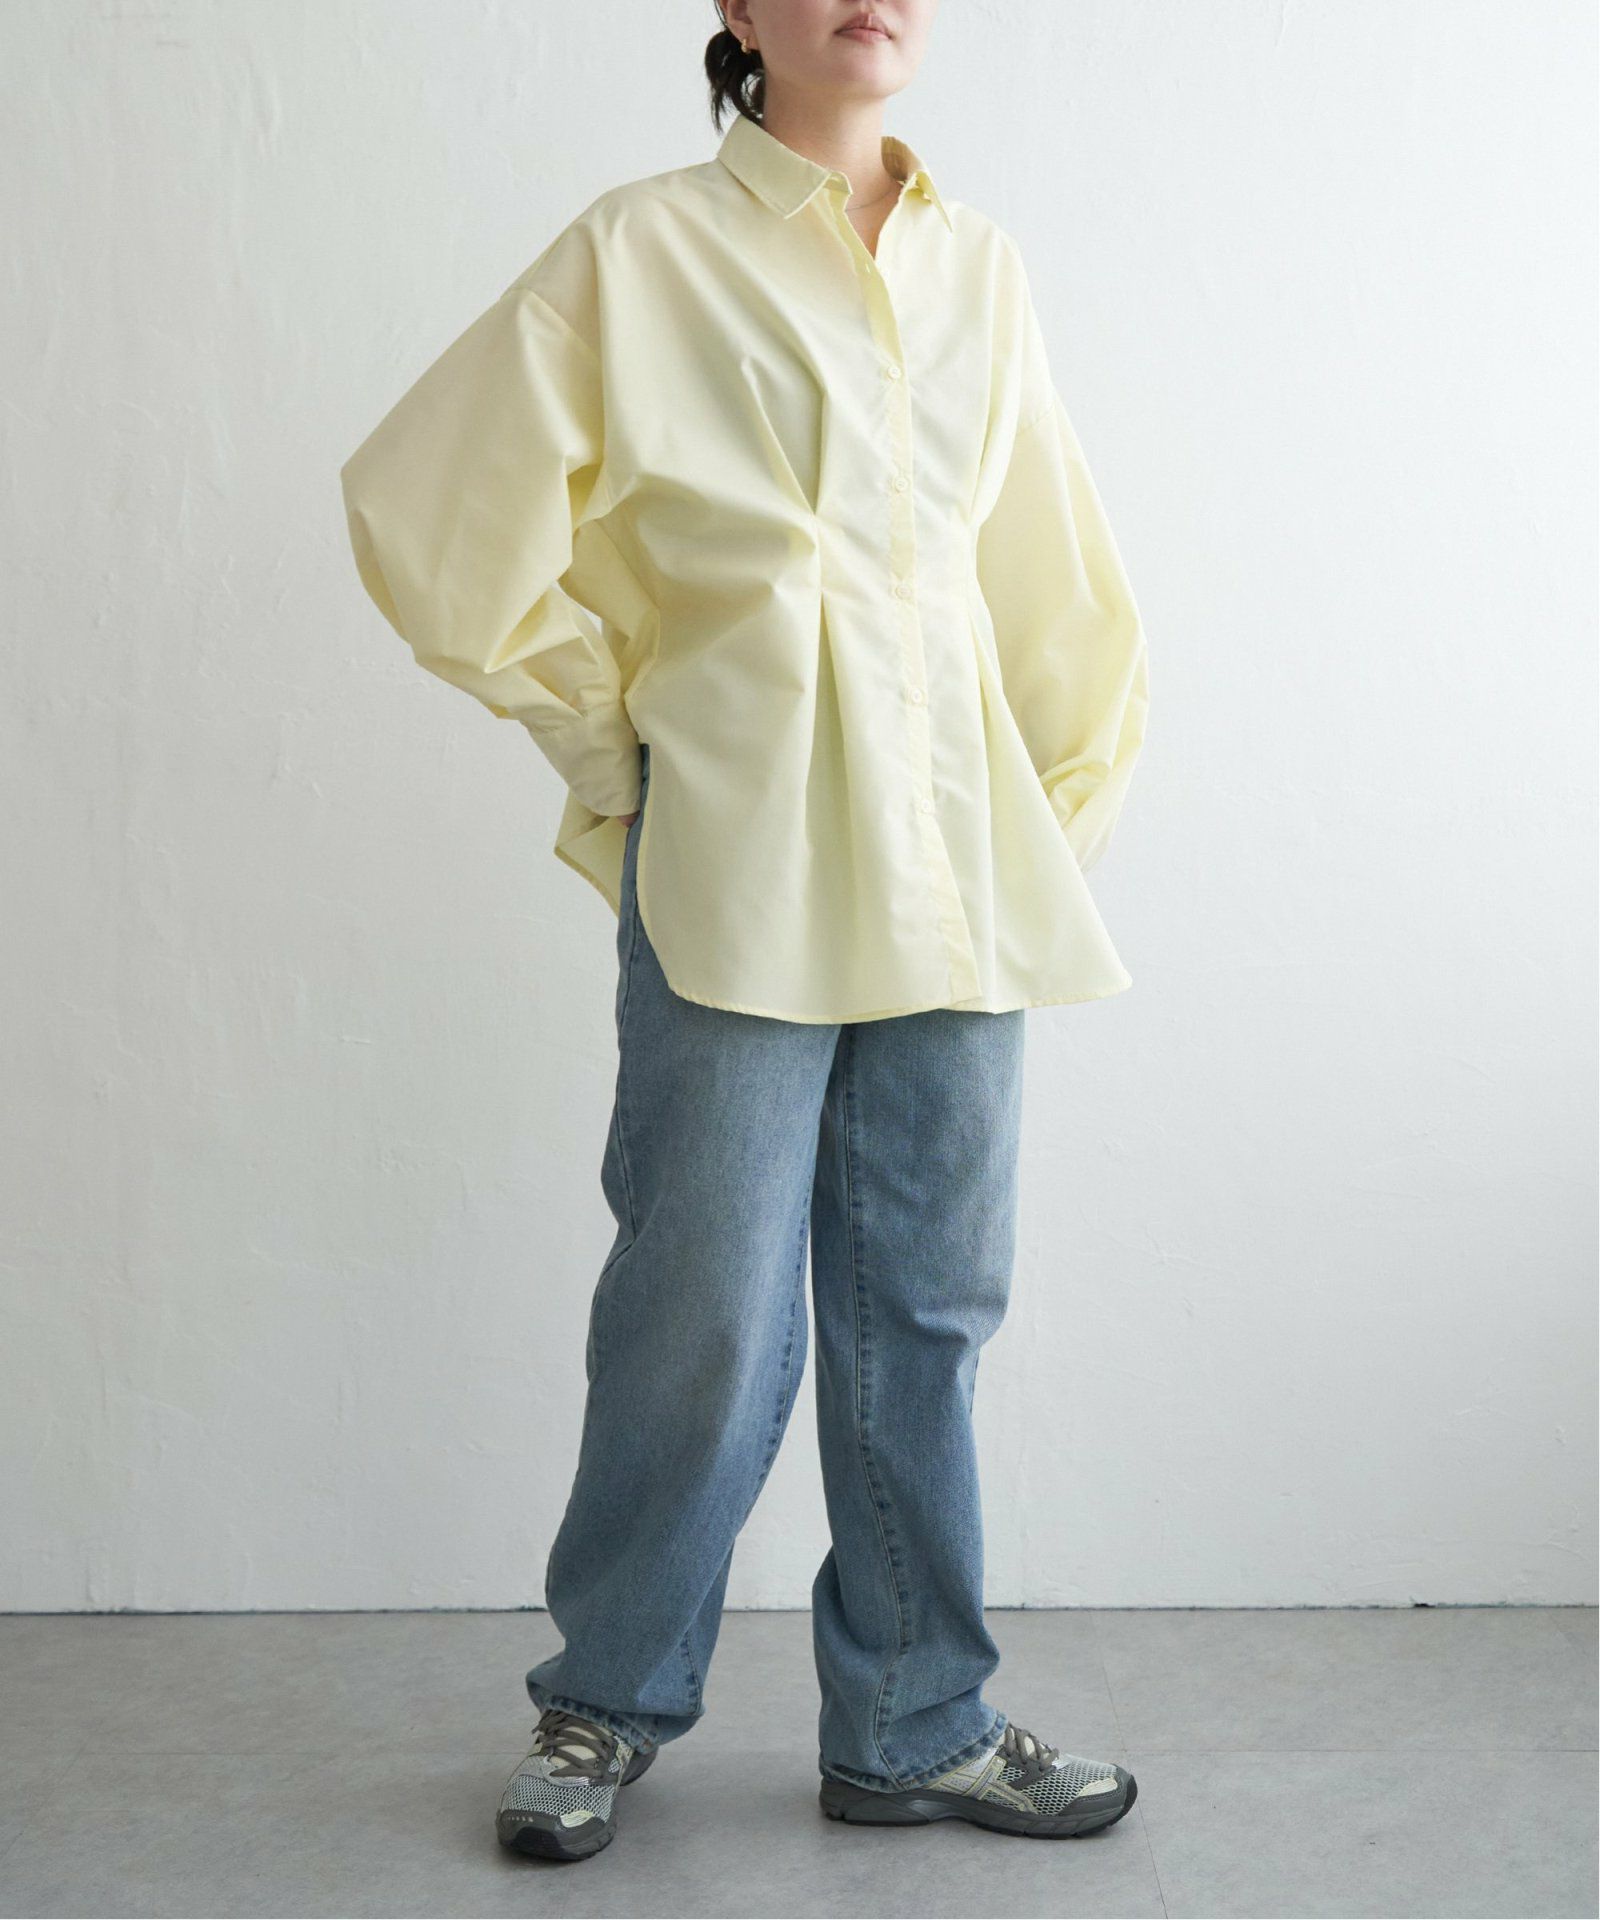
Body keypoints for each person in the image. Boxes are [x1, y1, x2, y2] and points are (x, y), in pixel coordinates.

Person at [338, 0, 1150, 1866]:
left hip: (959, 865)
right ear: (735, 11)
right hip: (739, 853)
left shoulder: (979, 265)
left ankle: (916, 1722)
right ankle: (605, 1699)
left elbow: (1047, 571)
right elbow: (425, 507)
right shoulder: (640, 250)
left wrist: (1053, 812)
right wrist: (606, 738)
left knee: (927, 1306)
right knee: (700, 1301)